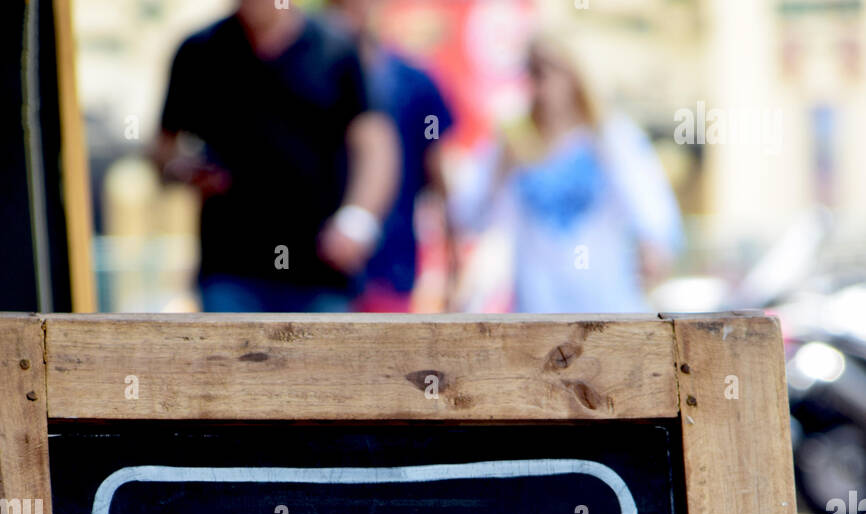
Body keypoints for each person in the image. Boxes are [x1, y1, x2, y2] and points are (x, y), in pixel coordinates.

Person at [153, 0, 400, 311]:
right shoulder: (200, 51)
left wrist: (357, 220)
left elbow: (376, 145)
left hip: (320, 267)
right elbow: (163, 146)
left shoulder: (335, 48)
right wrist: (183, 169)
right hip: (231, 265)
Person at [449, 27, 683, 313]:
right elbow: (469, 215)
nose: (544, 83)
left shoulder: (608, 135)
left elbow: (648, 199)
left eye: (551, 69)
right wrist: (500, 170)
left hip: (607, 302)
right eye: (534, 71)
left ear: (574, 74)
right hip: (538, 305)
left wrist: (654, 245)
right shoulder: (512, 140)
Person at [326, 0, 455, 312]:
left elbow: (437, 176)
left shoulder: (414, 82)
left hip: (391, 265)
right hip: (317, 268)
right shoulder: (308, 73)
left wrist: (452, 258)